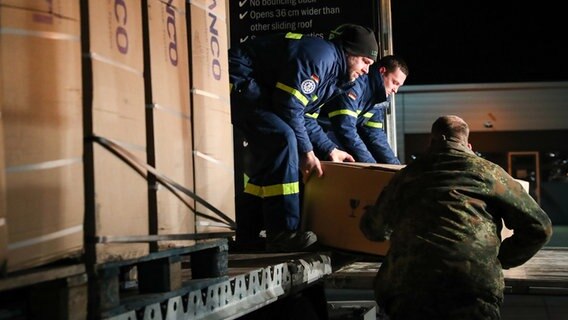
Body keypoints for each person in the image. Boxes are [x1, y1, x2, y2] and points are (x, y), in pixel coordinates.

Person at [360, 115, 553, 319]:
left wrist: (368, 216)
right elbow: (540, 227)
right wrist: (500, 259)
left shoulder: (407, 176)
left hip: (409, 288)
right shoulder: (491, 173)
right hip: (471, 288)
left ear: (432, 143)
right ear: (468, 144)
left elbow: (374, 229)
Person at [229, 24, 379, 252]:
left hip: (257, 89)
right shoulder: (321, 57)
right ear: (350, 52)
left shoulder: (333, 75)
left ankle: (247, 234)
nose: (367, 71)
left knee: (275, 155)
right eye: (365, 62)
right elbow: (289, 107)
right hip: (239, 80)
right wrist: (307, 153)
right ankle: (282, 233)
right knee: (283, 138)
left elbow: (305, 117)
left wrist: (330, 150)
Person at [318, 55, 408, 164]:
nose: (395, 90)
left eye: (399, 86)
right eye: (395, 83)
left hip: (331, 138)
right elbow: (345, 127)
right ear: (382, 71)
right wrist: (371, 165)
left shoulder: (377, 98)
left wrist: (396, 167)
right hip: (316, 133)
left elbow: (376, 135)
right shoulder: (355, 84)